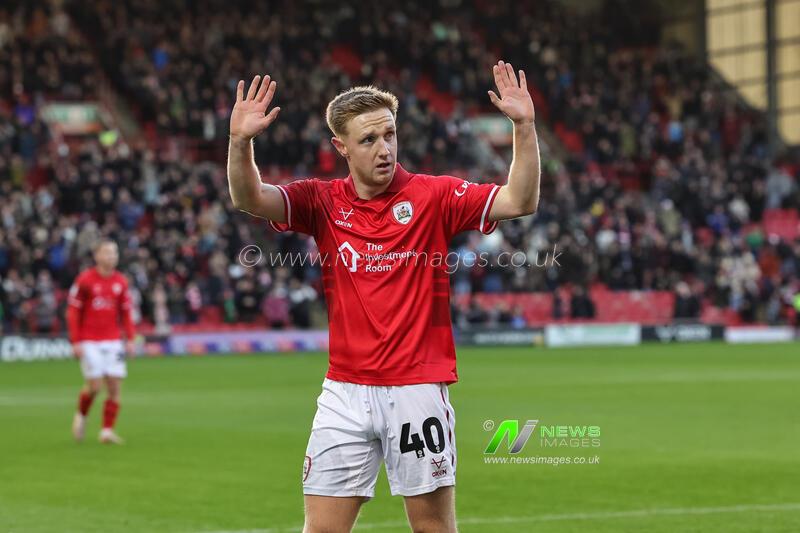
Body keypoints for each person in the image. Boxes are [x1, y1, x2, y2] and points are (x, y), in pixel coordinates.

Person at [227, 60, 540, 532]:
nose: (384, 148)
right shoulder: (322, 201)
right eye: (369, 140)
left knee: (432, 528)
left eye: (390, 135)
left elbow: (520, 201)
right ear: (341, 147)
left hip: (416, 389)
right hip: (344, 392)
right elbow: (250, 198)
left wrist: (524, 127)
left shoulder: (433, 195)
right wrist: (239, 142)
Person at [66, 240, 135, 445]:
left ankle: (106, 431)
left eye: (114, 253)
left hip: (114, 340)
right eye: (107, 253)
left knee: (114, 386)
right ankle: (82, 415)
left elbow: (126, 312)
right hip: (89, 340)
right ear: (97, 256)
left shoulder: (121, 281)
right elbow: (73, 312)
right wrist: (76, 341)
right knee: (95, 386)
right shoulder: (85, 280)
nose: (112, 256)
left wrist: (130, 338)